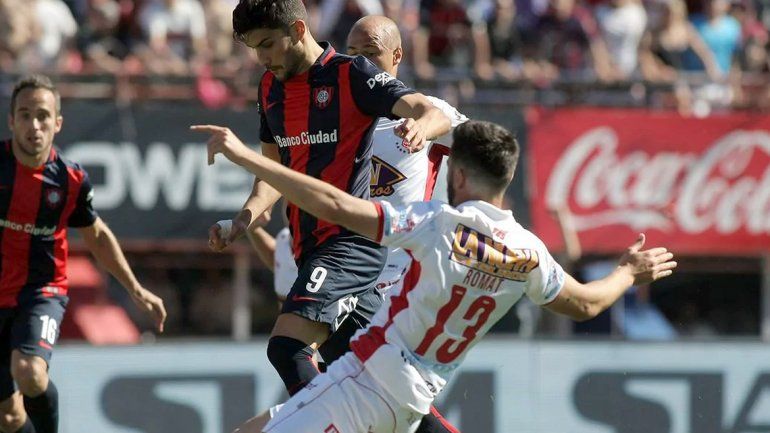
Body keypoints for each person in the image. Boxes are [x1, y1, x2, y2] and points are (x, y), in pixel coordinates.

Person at [198, 119, 677, 433]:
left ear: (461, 177)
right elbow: (587, 303)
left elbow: (338, 206)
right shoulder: (530, 253)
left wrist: (249, 157)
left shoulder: (436, 225)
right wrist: (626, 272)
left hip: (363, 386)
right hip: (407, 404)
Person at [199, 0, 451, 401]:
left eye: (267, 44)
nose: (262, 58)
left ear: (299, 30)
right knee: (378, 387)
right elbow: (275, 168)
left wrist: (421, 126)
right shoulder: (270, 89)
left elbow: (425, 107)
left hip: (351, 245)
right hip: (309, 247)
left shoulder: (352, 75)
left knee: (287, 347)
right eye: (253, 48)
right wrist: (244, 218)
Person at [0, 75, 167, 433]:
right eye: (25, 115)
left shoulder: (70, 180)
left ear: (57, 123)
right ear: (11, 120)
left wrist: (137, 290)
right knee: (9, 417)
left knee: (29, 371)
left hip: (40, 292)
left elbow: (98, 235)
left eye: (43, 115)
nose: (34, 125)